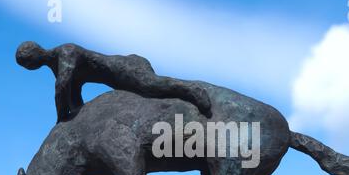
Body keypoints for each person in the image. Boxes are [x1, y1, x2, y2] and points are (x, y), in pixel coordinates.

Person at [16, 41, 212, 123]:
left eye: (26, 62)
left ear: (35, 53)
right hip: (116, 80)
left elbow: (62, 87)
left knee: (152, 86)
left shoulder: (65, 52)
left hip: (123, 68)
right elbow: (73, 95)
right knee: (151, 94)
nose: (27, 66)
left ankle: (192, 89)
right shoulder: (55, 68)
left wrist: (60, 118)